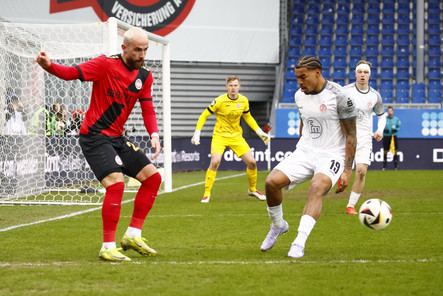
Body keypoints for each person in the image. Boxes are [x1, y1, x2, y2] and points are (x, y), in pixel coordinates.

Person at [36, 27, 162, 262]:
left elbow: (147, 108)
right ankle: (107, 246)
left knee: (153, 178)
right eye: (137, 50)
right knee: (116, 184)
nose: (142, 54)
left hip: (116, 137)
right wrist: (48, 66)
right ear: (124, 48)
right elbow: (71, 73)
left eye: (145, 50)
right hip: (94, 136)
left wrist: (154, 133)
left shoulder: (145, 76)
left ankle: (133, 235)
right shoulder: (105, 64)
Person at [260, 55, 356, 258]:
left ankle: (299, 241)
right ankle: (278, 225)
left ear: (317, 73)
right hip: (305, 151)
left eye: (303, 77)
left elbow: (351, 135)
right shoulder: (298, 95)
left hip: (332, 155)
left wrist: (347, 170)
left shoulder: (340, 96)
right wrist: (301, 148)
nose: (299, 82)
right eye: (297, 78)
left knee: (316, 188)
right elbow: (304, 121)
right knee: (271, 182)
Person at [191, 75, 270, 203]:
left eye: (235, 85)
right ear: (226, 87)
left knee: (252, 162)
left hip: (236, 136)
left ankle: (252, 189)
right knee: (215, 161)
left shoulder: (244, 101)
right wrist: (197, 132)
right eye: (231, 86)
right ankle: (206, 193)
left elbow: (248, 117)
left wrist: (259, 132)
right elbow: (204, 115)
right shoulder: (219, 101)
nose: (233, 88)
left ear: (239, 86)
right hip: (220, 136)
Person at [342, 61, 386, 215]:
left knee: (361, 171)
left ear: (369, 75)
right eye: (359, 72)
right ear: (355, 74)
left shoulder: (375, 95)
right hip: (345, 137)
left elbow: (382, 116)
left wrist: (379, 130)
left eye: (365, 72)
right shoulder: (345, 91)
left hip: (365, 138)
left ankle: (350, 206)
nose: (362, 75)